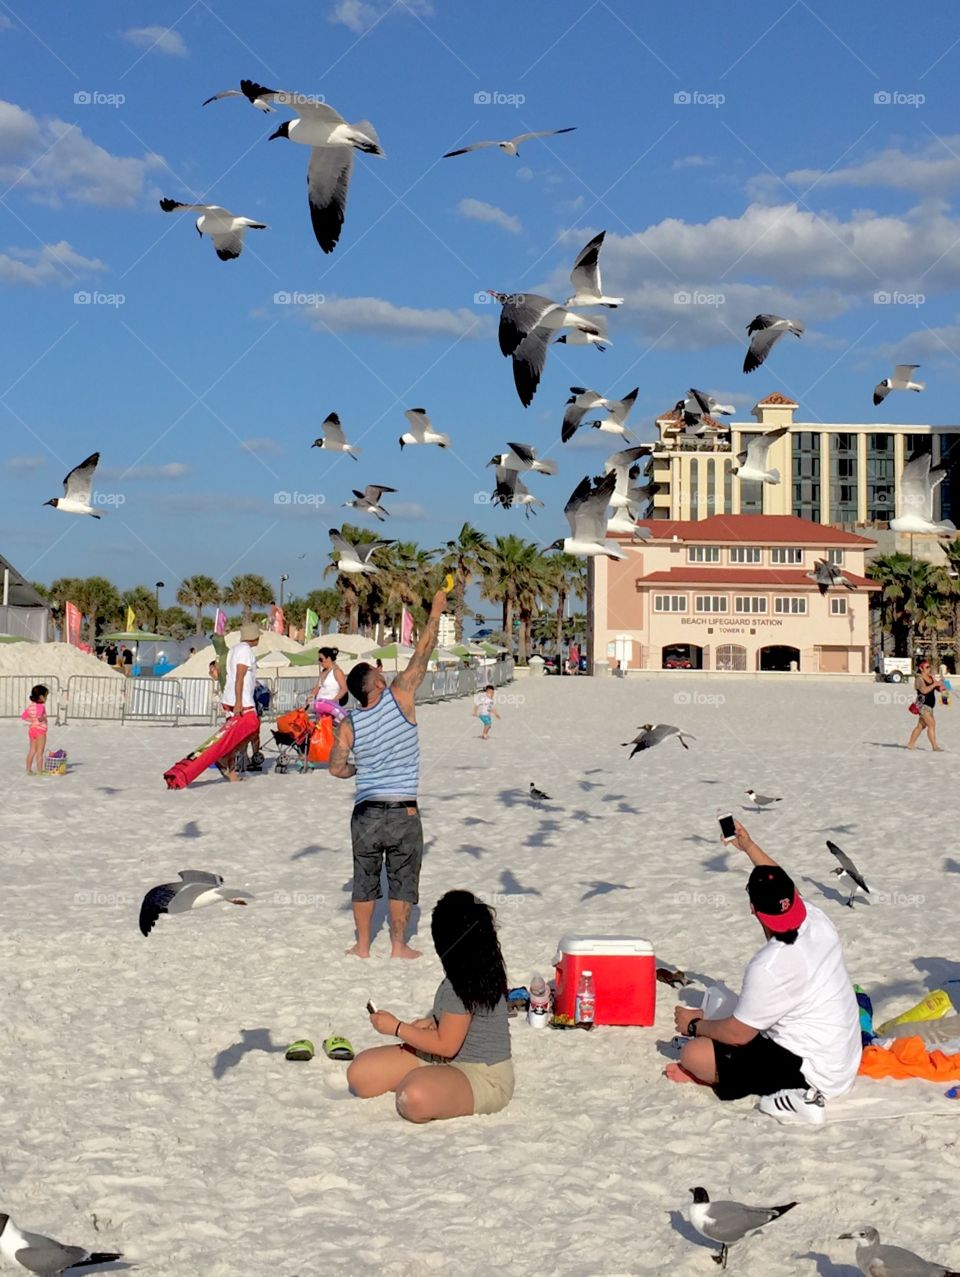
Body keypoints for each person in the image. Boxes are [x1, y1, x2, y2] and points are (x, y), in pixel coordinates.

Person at [667, 819, 861, 1124]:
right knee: (725, 1007)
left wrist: (695, 1025)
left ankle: (797, 1098)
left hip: (813, 1073)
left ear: (753, 909)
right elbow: (786, 886)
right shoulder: (816, 920)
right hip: (843, 1059)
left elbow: (737, 1035)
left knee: (694, 1054)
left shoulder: (770, 964)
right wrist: (748, 846)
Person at [329, 589, 446, 959]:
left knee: (364, 879)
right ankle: (398, 946)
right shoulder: (400, 696)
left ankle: (362, 946)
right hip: (402, 810)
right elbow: (423, 651)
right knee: (402, 878)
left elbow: (335, 768)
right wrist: (437, 610)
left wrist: (357, 770)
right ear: (378, 683)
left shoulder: (349, 722)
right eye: (380, 671)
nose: (385, 672)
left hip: (365, 812)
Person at [347, 890, 514, 1122]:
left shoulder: (465, 981)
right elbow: (461, 1022)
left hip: (482, 1074)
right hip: (444, 1058)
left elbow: (445, 1045)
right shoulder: (473, 967)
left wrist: (397, 1028)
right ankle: (433, 1080)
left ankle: (433, 1083)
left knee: (413, 1097)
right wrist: (433, 1023)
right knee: (360, 1074)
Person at [220, 623, 261, 782]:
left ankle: (231, 771)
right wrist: (238, 702)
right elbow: (239, 677)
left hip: (230, 696)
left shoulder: (235, 649)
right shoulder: (245, 651)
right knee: (250, 730)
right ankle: (225, 757)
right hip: (242, 699)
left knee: (235, 734)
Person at [907, 658, 944, 752]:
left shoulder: (931, 677)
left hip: (930, 706)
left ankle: (910, 744)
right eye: (927, 667)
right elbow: (924, 690)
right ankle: (935, 747)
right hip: (922, 705)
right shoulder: (919, 679)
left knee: (921, 726)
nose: (929, 669)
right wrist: (934, 684)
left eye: (929, 667)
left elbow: (939, 689)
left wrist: (942, 685)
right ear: (921, 668)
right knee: (932, 724)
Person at [308, 647, 348, 722]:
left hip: (331, 708)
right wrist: (309, 700)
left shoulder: (337, 671)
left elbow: (344, 689)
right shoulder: (323, 672)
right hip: (320, 707)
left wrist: (333, 701)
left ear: (329, 658)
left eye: (321, 659)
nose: (320, 662)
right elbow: (317, 688)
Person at [21, 684, 49, 775]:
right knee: (40, 751)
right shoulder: (41, 706)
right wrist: (43, 719)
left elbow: (23, 716)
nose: (46, 698)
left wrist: (32, 720)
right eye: (45, 696)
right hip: (40, 730)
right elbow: (40, 717)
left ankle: (28, 769)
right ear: (41, 697)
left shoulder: (31, 706)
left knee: (32, 750)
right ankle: (40, 770)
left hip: (32, 729)